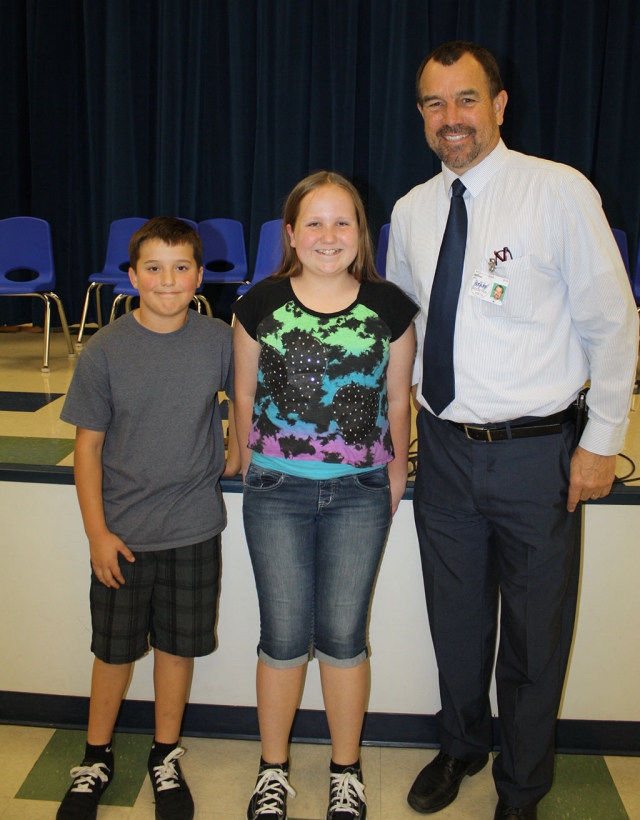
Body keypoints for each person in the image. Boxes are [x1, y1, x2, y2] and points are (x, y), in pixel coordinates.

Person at [386, 41, 637, 820]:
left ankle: (522, 786)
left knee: (534, 637)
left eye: (466, 99)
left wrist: (600, 442)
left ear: (499, 105)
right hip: (448, 454)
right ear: (421, 115)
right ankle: (461, 744)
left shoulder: (557, 192)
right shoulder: (412, 210)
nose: (450, 118)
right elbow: (402, 330)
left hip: (537, 456)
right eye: (434, 103)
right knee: (454, 623)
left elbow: (613, 321)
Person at [233, 171, 417, 820]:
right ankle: (273, 769)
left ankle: (346, 769)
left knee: (344, 638)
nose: (328, 235)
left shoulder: (389, 307)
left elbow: (399, 399)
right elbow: (246, 395)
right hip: (276, 494)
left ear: (361, 234)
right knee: (282, 638)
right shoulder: (260, 303)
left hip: (359, 494)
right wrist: (248, 463)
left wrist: (393, 474)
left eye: (343, 222)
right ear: (290, 234)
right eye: (313, 222)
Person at [58, 217, 238, 820]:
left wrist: (237, 444)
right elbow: (87, 448)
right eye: (154, 269)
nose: (168, 280)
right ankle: (96, 755)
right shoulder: (105, 350)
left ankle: (165, 754)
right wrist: (97, 534)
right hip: (123, 536)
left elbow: (246, 395)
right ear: (131, 277)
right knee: (112, 652)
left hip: (193, 529)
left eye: (181, 267)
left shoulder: (217, 338)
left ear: (200, 275)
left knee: (177, 648)